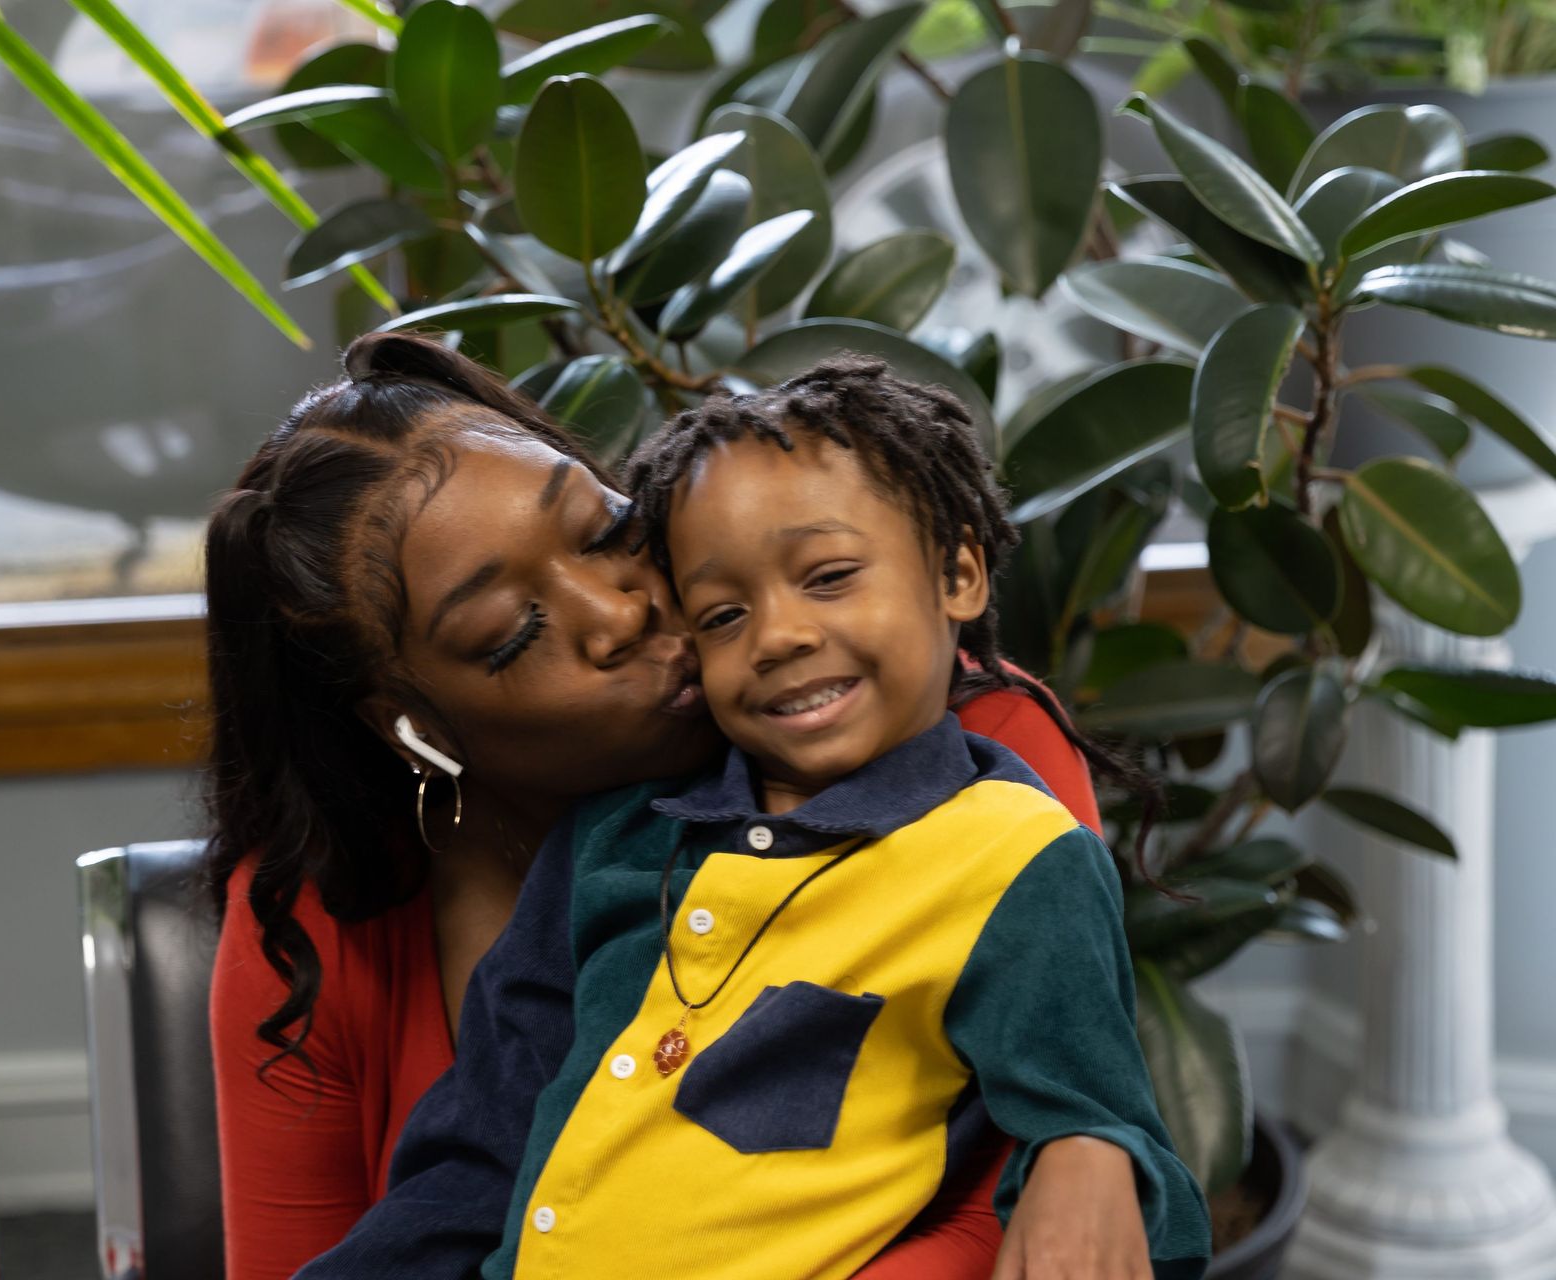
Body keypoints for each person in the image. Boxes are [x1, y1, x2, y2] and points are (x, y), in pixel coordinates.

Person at [206, 334, 1148, 1280]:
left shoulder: (969, 754)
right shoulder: (322, 925)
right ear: (412, 725)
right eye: (512, 632)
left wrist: (1091, 1143)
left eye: (605, 530)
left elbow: (1044, 1187)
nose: (619, 615)